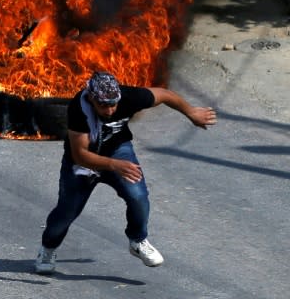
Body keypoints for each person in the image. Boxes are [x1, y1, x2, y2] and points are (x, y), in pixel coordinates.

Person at [33, 71, 217, 274]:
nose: (110, 110)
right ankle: (48, 249)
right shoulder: (79, 109)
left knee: (138, 196)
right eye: (104, 105)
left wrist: (191, 113)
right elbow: (80, 156)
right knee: (66, 213)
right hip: (83, 164)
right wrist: (113, 165)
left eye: (113, 103)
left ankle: (137, 240)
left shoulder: (130, 97)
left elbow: (166, 95)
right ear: (92, 98)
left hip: (118, 150)